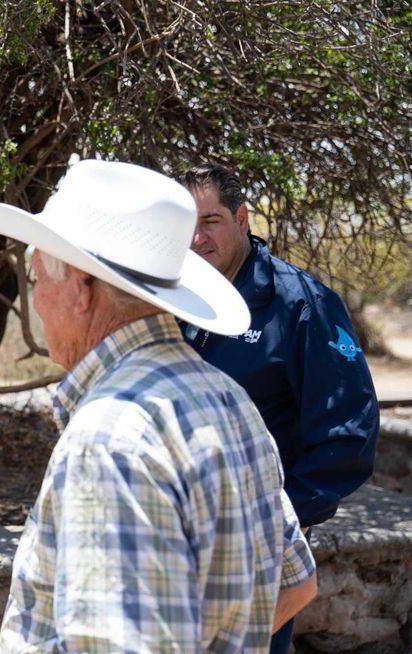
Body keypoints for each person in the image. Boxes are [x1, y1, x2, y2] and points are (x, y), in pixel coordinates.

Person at [0, 159, 317, 652]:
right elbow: (297, 582)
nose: (37, 298)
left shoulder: (109, 439)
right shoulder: (230, 400)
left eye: (38, 275)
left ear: (81, 289)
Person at [178, 163, 379, 653]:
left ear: (242, 218)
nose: (197, 238)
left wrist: (288, 519)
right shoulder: (176, 298)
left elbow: (349, 430)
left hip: (258, 545)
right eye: (186, 224)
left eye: (210, 221)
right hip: (181, 535)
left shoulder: (302, 304)